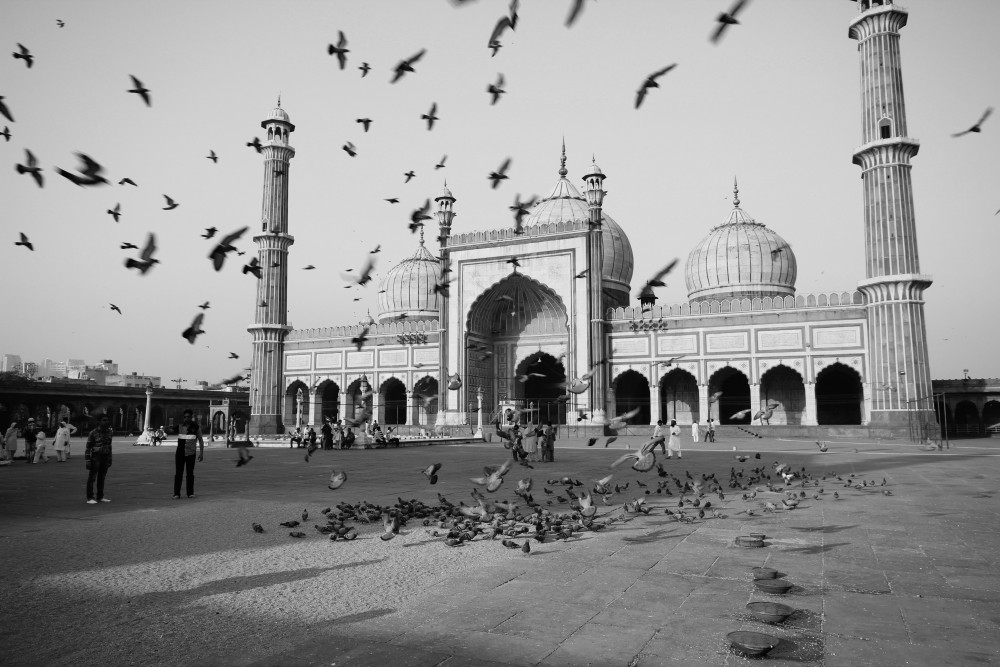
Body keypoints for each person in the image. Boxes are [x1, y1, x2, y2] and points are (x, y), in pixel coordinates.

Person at [173, 410, 204, 499]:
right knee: (178, 473)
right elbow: (169, 430)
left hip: (191, 453)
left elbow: (201, 440)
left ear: (191, 417)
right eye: (185, 417)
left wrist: (201, 453)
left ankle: (190, 493)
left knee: (190, 473)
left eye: (188, 417)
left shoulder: (196, 427)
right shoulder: (179, 427)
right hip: (180, 453)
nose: (187, 418)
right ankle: (176, 493)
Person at [85, 414, 114, 504]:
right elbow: (88, 447)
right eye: (104, 420)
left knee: (102, 477)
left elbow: (110, 446)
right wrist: (87, 460)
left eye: (107, 420)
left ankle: (100, 496)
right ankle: (90, 497)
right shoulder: (93, 433)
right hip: (95, 457)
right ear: (99, 421)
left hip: (105, 456)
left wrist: (110, 459)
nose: (106, 422)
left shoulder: (109, 432)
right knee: (92, 478)